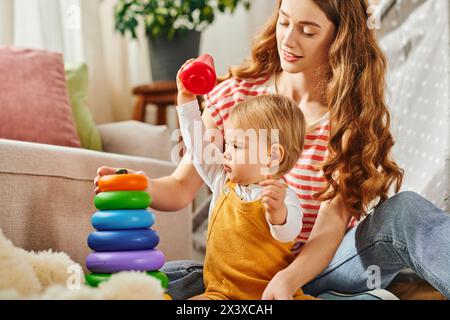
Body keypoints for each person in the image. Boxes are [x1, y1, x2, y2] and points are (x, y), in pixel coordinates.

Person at [96, 0, 450, 300]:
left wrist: (288, 279)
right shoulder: (233, 96)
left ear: (340, 38)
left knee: (405, 212)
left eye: (308, 31)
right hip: (244, 271)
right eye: (284, 22)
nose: (289, 40)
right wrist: (131, 185)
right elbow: (181, 187)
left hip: (318, 269)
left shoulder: (349, 118)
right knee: (159, 277)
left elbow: (330, 226)